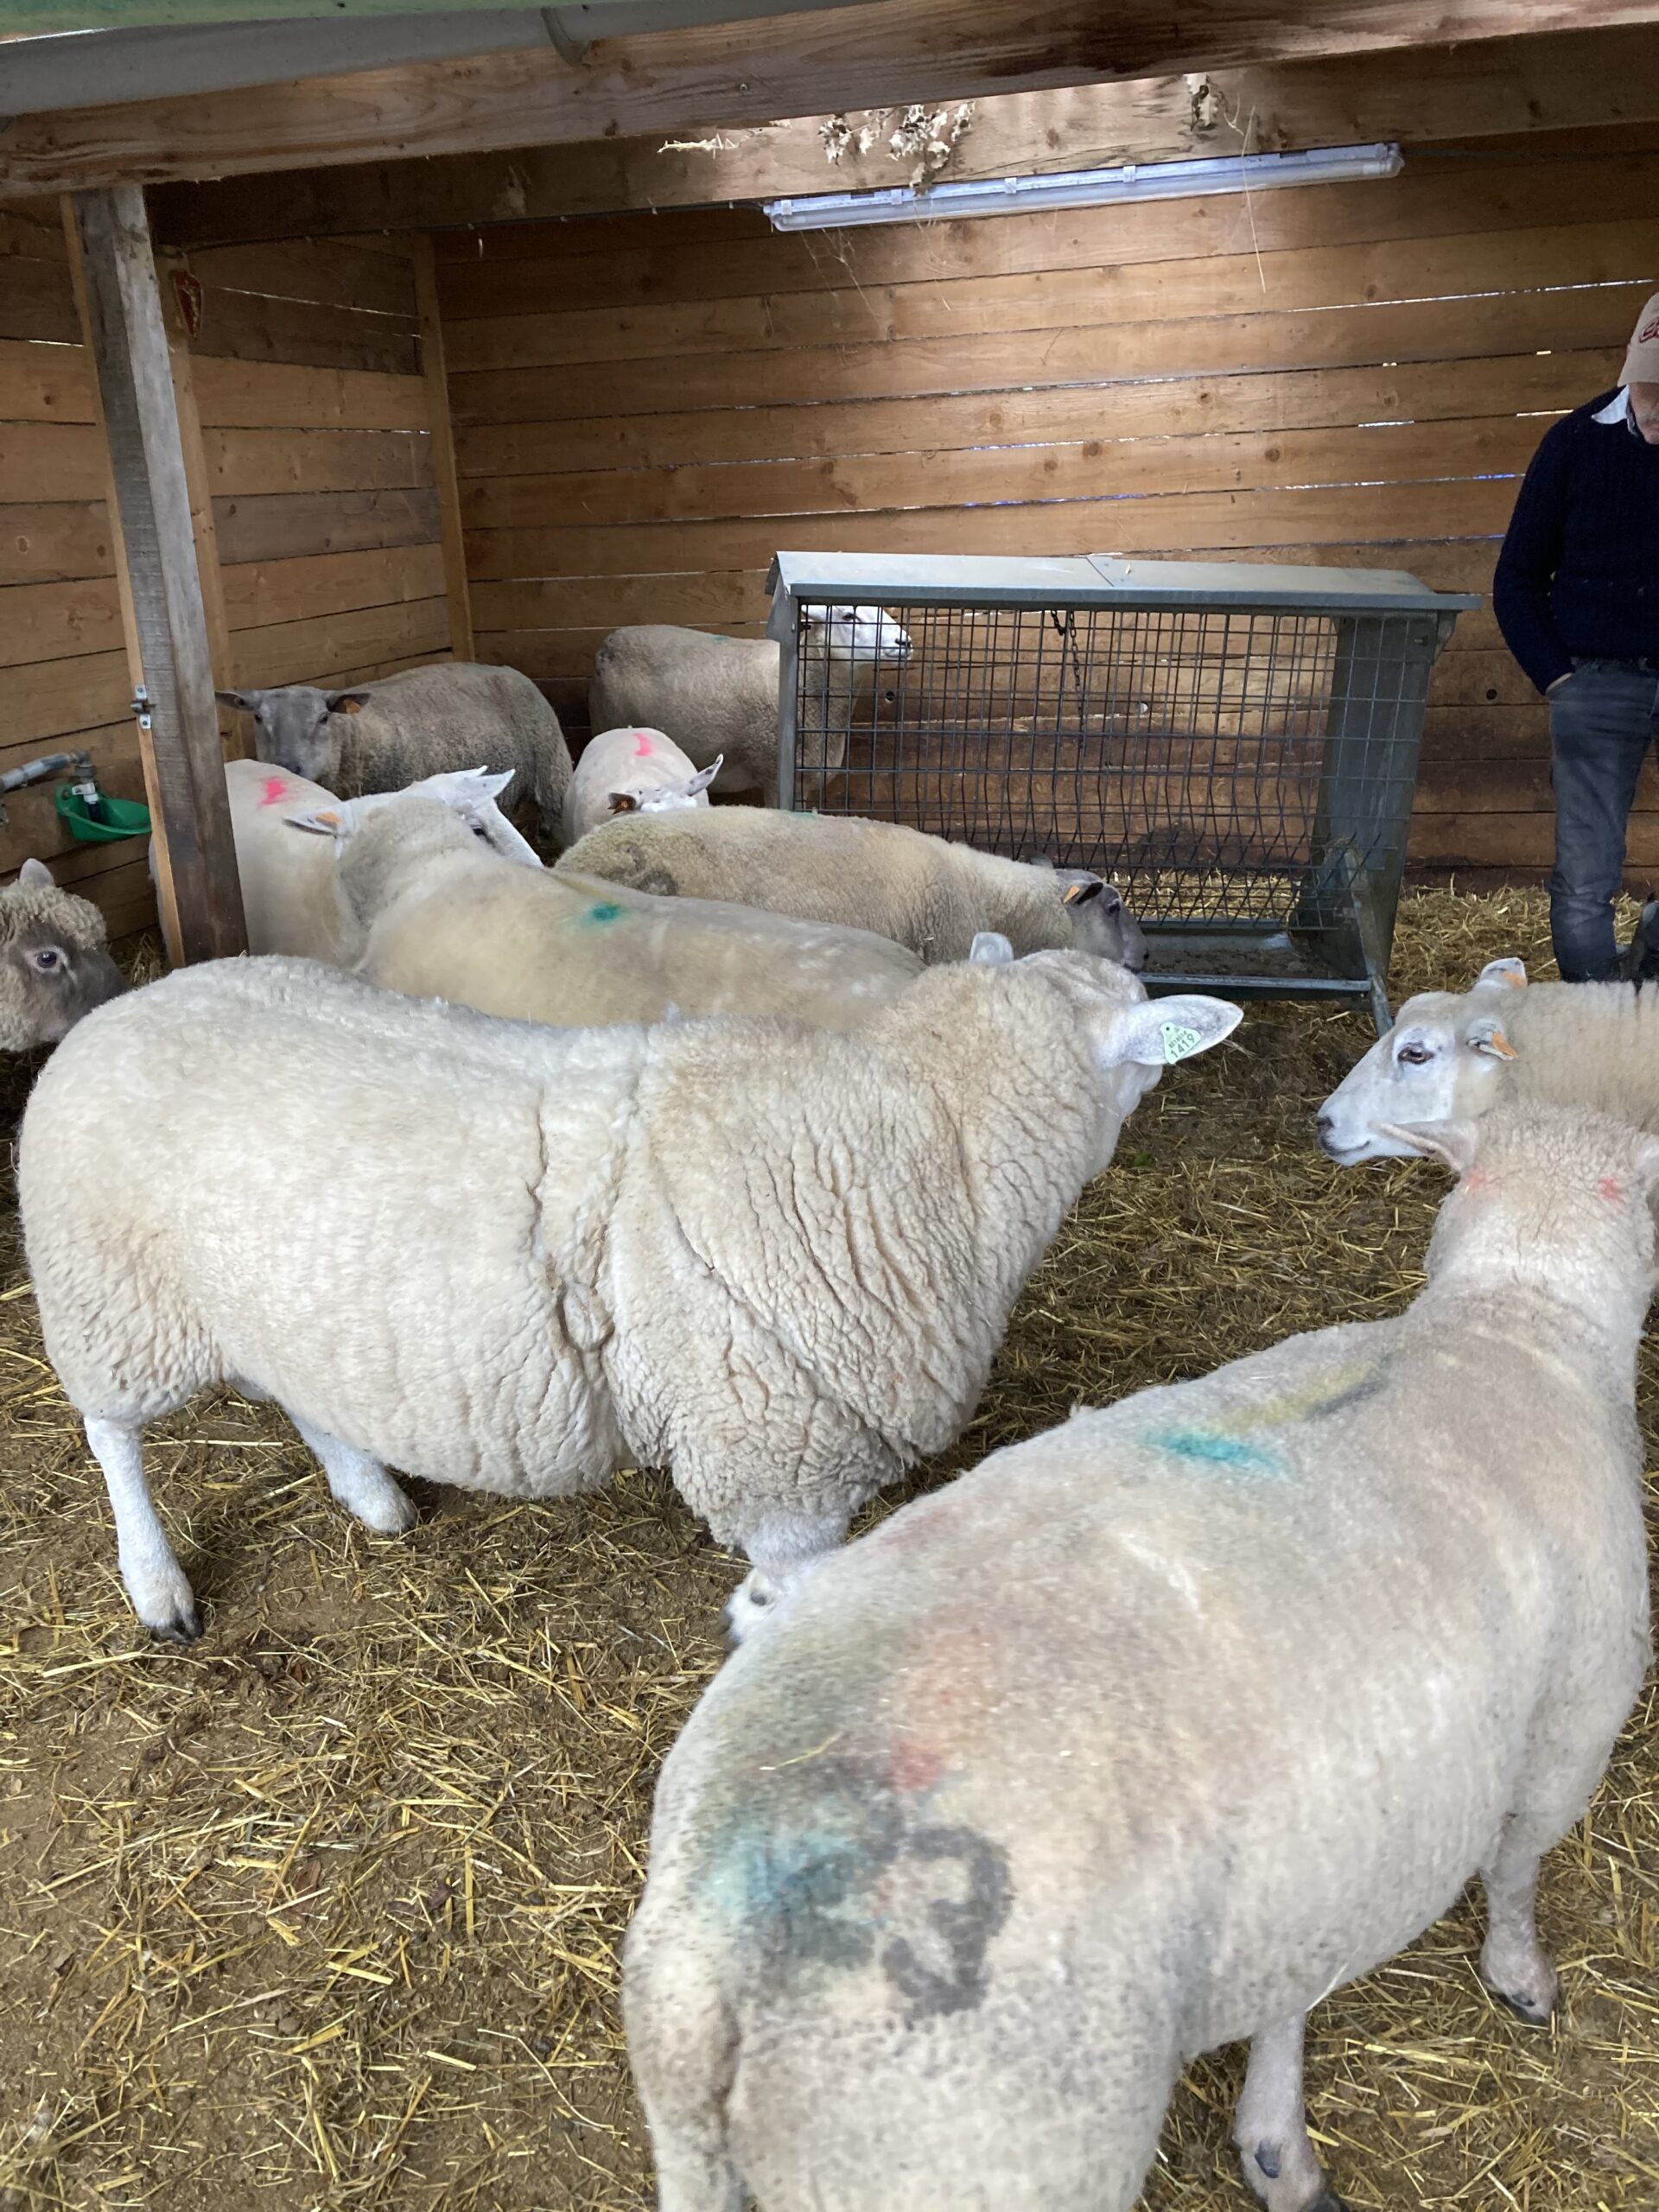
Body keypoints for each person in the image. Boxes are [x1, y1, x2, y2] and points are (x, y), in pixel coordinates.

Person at [1494, 289, 1659, 981]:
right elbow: (1517, 578)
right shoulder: (1575, 441)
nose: (1658, 411)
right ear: (1630, 367)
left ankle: (1646, 987)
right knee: (1587, 873)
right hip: (1594, 681)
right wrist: (1558, 678)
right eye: (1651, 391)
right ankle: (1592, 1016)